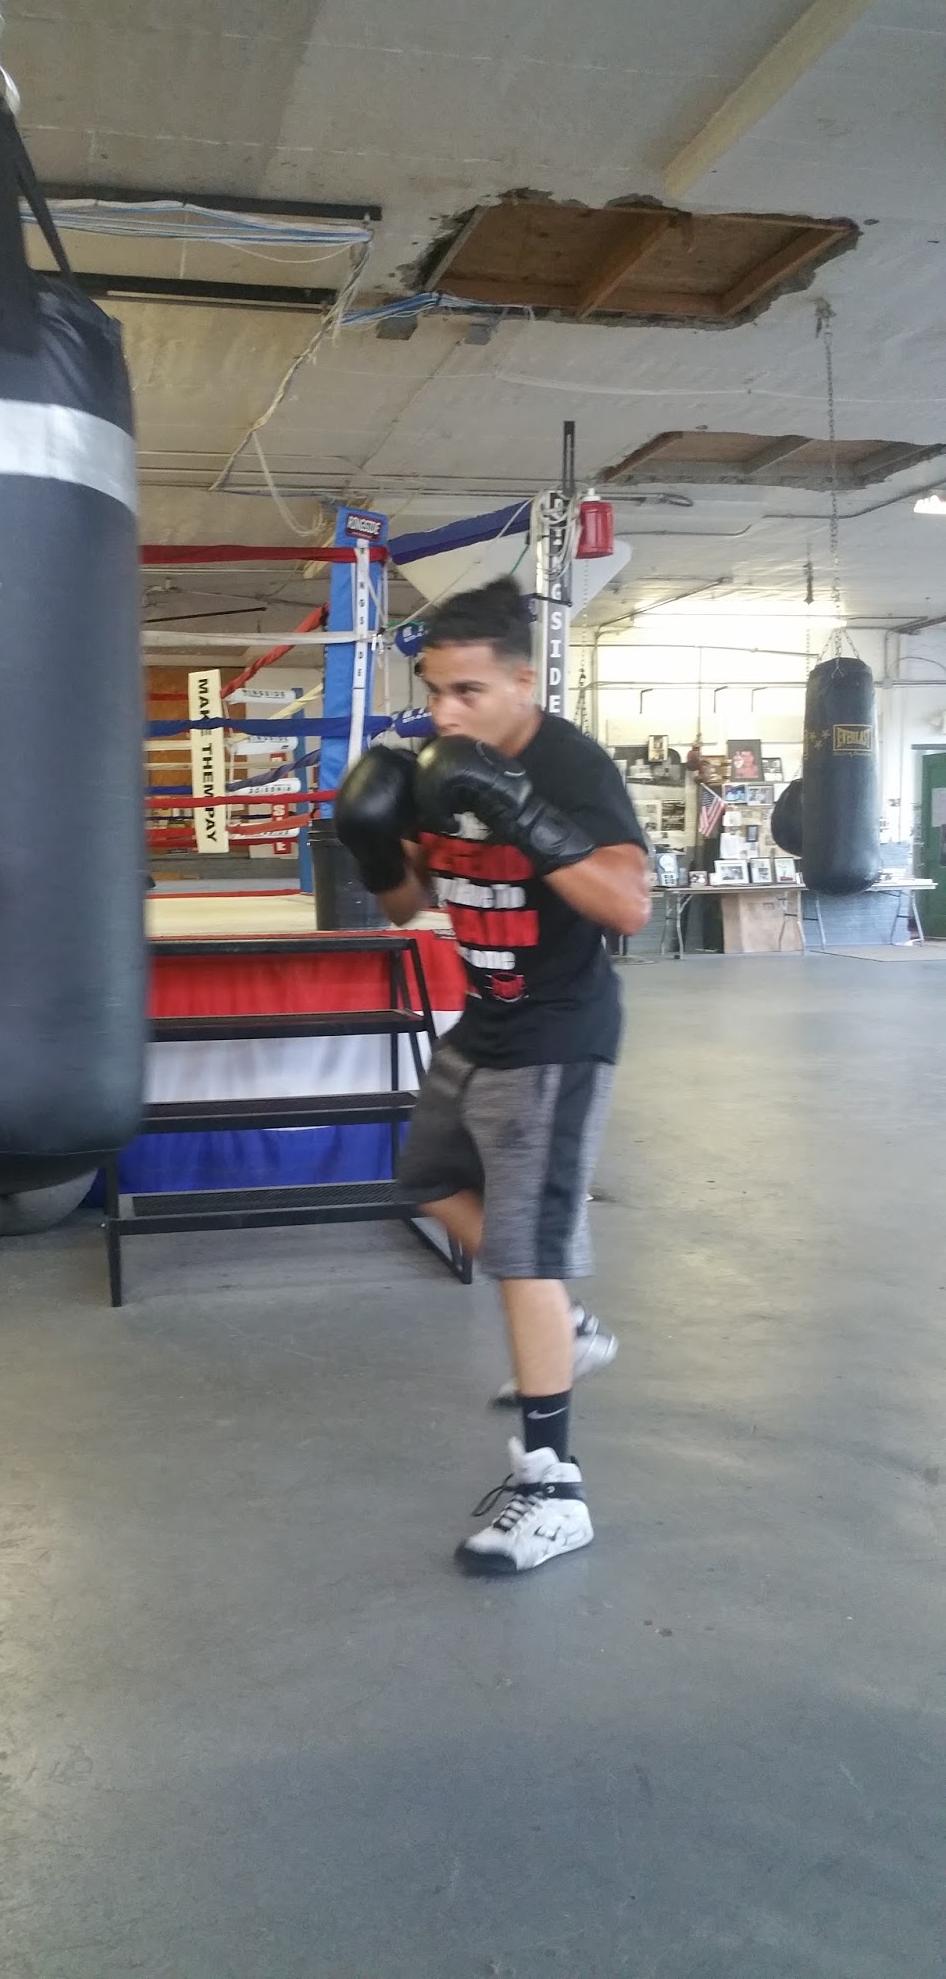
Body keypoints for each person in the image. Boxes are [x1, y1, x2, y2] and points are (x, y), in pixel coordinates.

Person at [335, 576, 650, 1575]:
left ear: (523, 682)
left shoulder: (569, 766)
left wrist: (520, 811)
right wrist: (372, 842)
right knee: (427, 1179)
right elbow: (408, 907)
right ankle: (568, 1324)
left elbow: (628, 907)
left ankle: (555, 1491)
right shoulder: (433, 766)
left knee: (521, 1255)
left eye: (466, 691)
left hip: (559, 1032)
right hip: (484, 1018)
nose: (444, 712)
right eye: (434, 690)